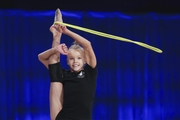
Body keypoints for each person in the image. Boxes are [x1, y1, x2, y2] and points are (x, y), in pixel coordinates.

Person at [38, 8, 98, 120]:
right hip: (62, 117)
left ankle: (58, 34)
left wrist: (67, 32)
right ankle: (56, 36)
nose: (75, 61)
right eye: (71, 58)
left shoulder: (90, 73)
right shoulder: (64, 75)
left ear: (84, 60)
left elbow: (87, 45)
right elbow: (41, 57)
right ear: (67, 61)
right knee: (53, 63)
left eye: (79, 58)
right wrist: (56, 50)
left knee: (54, 62)